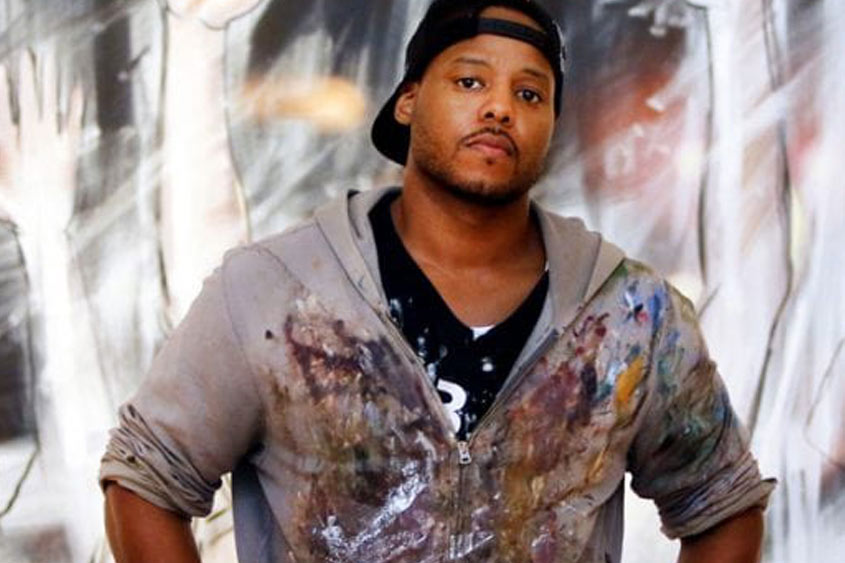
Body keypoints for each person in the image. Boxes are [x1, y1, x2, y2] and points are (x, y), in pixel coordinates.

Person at [100, 1, 774, 561]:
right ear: (408, 101)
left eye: (529, 93)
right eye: (470, 82)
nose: (500, 108)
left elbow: (722, 505)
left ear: (549, 126)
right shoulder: (273, 290)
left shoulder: (630, 314)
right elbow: (145, 479)